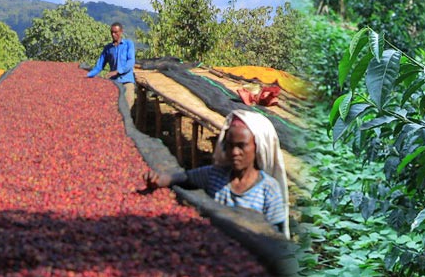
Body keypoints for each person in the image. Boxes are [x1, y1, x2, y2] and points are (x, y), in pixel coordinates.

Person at [145, 109, 290, 236]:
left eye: (241, 146)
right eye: (230, 146)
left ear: (257, 148)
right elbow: (186, 178)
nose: (234, 152)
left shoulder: (269, 189)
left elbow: (275, 236)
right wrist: (161, 179)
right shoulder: (215, 175)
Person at [87, 22, 135, 108]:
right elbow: (99, 66)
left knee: (126, 108)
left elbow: (130, 62)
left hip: (127, 81)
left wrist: (117, 71)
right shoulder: (108, 48)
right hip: (114, 82)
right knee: (113, 108)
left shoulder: (128, 44)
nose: (113, 34)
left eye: (116, 32)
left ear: (121, 32)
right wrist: (88, 75)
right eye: (112, 32)